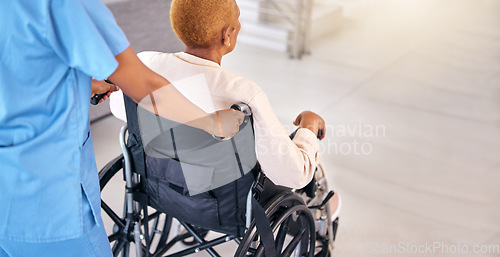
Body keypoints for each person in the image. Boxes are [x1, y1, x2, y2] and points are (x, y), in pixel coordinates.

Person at [0, 0, 244, 256]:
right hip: (44, 203)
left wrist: (77, 84)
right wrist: (211, 122)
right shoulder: (62, 5)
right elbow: (145, 86)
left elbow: (22, 73)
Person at [109, 0, 340, 204]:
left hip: (161, 184)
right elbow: (292, 174)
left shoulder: (145, 64)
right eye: (237, 19)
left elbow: (118, 107)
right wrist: (308, 128)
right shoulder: (243, 93)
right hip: (221, 199)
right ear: (227, 35)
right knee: (300, 155)